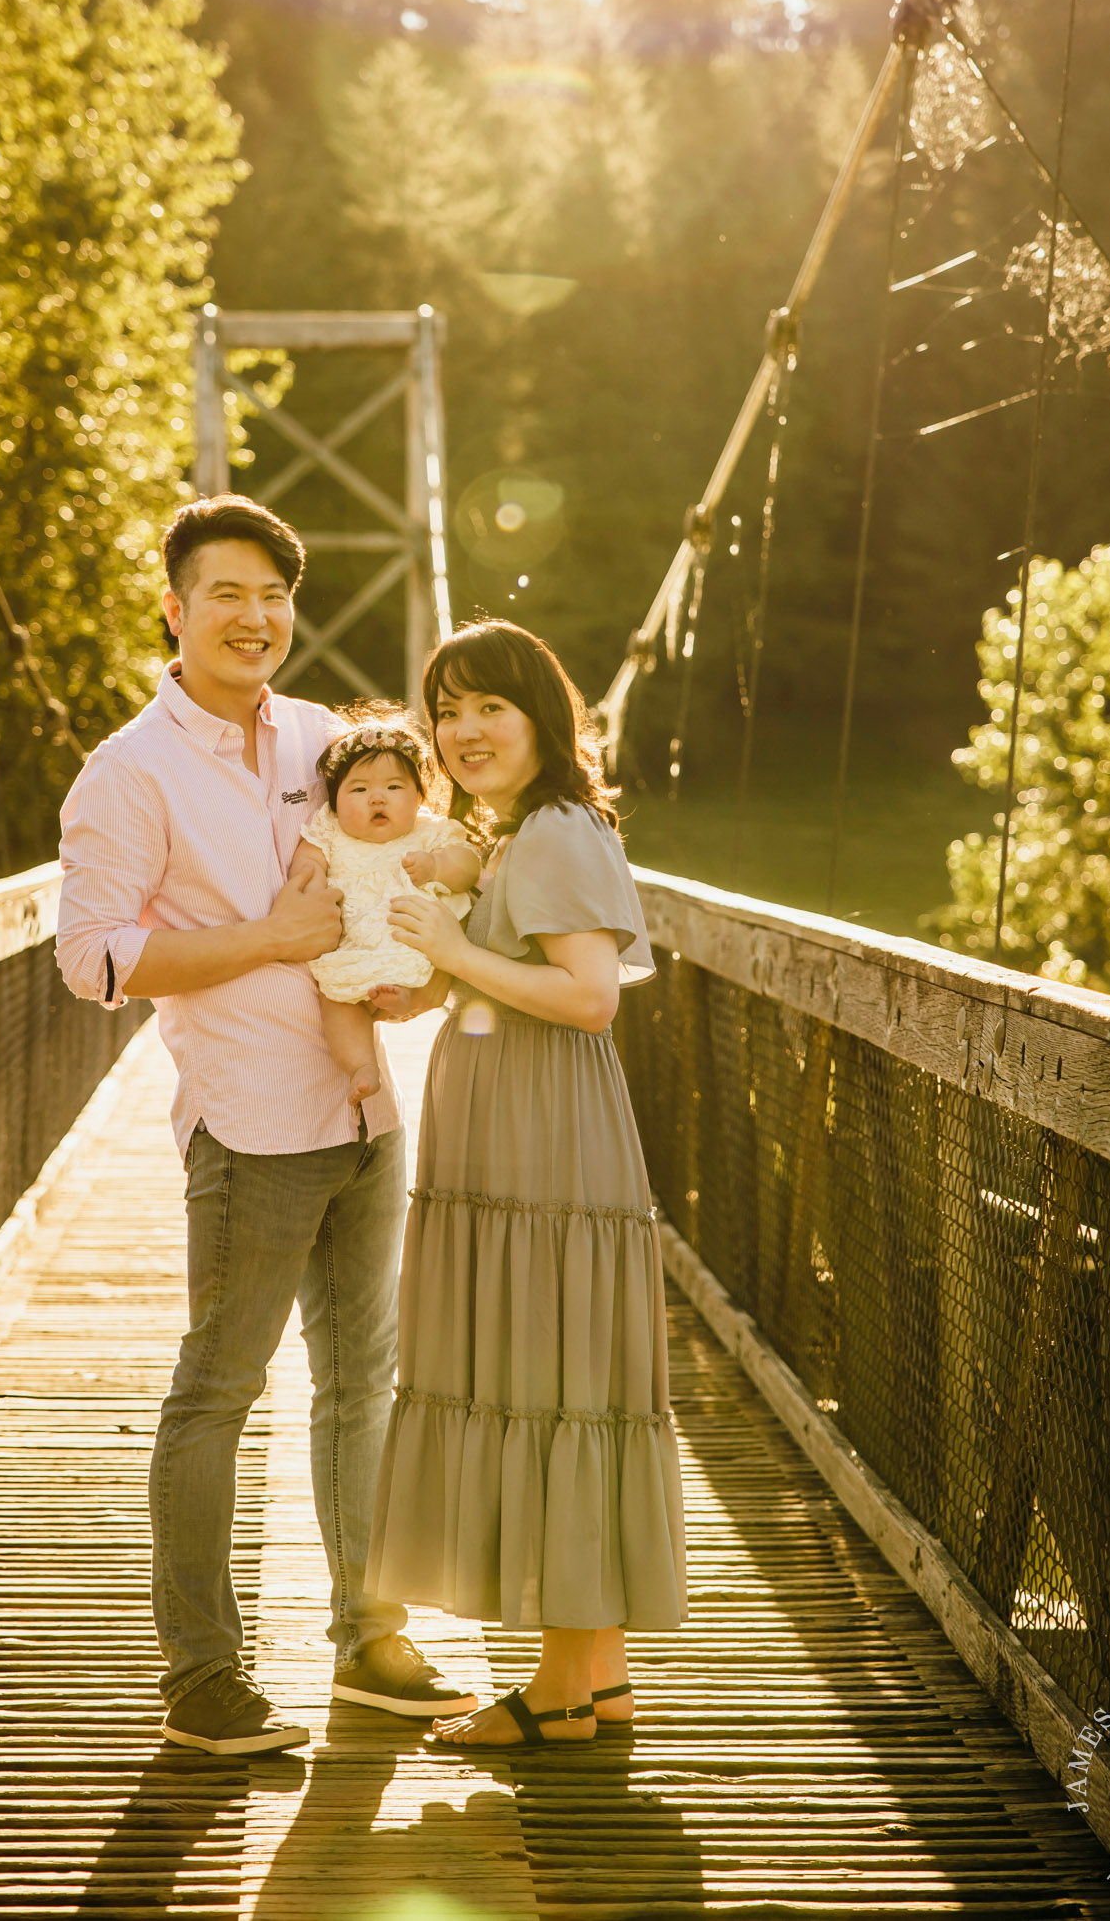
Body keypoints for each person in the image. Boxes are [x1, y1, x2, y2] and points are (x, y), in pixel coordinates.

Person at [54, 495, 475, 1757]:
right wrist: (274, 940)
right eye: (225, 593)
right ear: (174, 611)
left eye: (273, 595)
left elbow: (401, 877)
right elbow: (93, 958)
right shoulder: (127, 771)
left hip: (365, 1109)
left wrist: (428, 979)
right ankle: (200, 1675)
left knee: (361, 1385)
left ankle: (367, 1640)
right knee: (215, 1395)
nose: (254, 616)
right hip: (245, 1126)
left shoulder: (328, 740)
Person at [365, 618, 687, 1750]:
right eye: (444, 710)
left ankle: (553, 1690)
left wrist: (452, 955)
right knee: (566, 1386)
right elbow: (519, 976)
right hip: (525, 1141)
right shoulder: (530, 834)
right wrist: (442, 961)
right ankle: (591, 1680)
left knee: (544, 1377)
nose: (460, 731)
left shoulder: (549, 830)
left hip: (540, 1153)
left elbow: (589, 994)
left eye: (485, 707)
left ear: (541, 717)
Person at [292, 718, 481, 1116]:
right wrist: (308, 885)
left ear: (418, 797)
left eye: (394, 787)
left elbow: (469, 868)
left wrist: (437, 866)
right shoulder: (329, 831)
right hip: (353, 944)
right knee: (338, 1001)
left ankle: (406, 998)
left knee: (415, 975)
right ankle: (362, 1064)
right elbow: (307, 860)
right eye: (359, 790)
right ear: (335, 802)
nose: (377, 798)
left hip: (413, 938)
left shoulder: (430, 834)